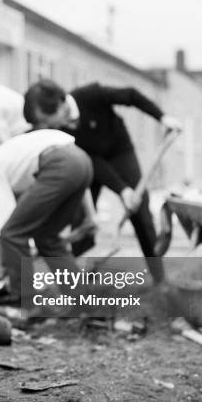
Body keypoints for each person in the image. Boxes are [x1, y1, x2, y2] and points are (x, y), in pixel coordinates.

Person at [23, 79, 181, 285]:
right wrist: (121, 190)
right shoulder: (61, 132)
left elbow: (131, 94)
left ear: (61, 106)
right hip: (91, 163)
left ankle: (160, 278)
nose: (47, 127)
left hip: (119, 150)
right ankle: (78, 277)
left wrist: (162, 117)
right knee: (80, 217)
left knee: (139, 209)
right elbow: (93, 162)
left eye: (46, 120)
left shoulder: (89, 95)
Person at [0, 130, 95, 301]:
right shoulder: (7, 160)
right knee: (46, 236)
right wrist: (90, 215)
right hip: (82, 162)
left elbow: (7, 230)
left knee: (12, 235)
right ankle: (82, 299)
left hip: (59, 165)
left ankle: (25, 300)